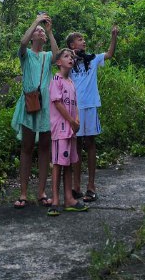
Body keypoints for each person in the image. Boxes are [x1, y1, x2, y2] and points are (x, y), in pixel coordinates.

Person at [10, 12, 59, 208]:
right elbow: (22, 42)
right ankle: (23, 193)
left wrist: (50, 30)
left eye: (41, 31)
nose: (39, 31)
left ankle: (41, 191)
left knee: (45, 148)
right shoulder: (26, 54)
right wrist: (36, 21)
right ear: (32, 36)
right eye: (36, 31)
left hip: (46, 105)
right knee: (27, 148)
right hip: (29, 103)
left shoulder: (47, 56)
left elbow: (57, 57)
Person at [67, 25, 119, 203]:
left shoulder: (93, 59)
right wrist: (70, 56)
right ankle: (76, 186)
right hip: (74, 109)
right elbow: (58, 62)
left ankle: (91, 186)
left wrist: (113, 37)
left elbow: (109, 54)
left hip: (90, 107)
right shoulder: (69, 61)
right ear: (72, 45)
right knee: (75, 145)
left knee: (90, 143)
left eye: (83, 39)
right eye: (80, 39)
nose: (84, 42)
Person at [47, 48, 88, 216]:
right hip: (60, 129)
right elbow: (57, 103)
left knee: (69, 163)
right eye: (66, 56)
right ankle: (55, 200)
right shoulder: (56, 80)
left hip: (71, 130)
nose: (70, 59)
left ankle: (69, 199)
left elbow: (75, 104)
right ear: (59, 62)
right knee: (57, 164)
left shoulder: (71, 82)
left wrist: (77, 119)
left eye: (71, 56)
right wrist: (71, 121)